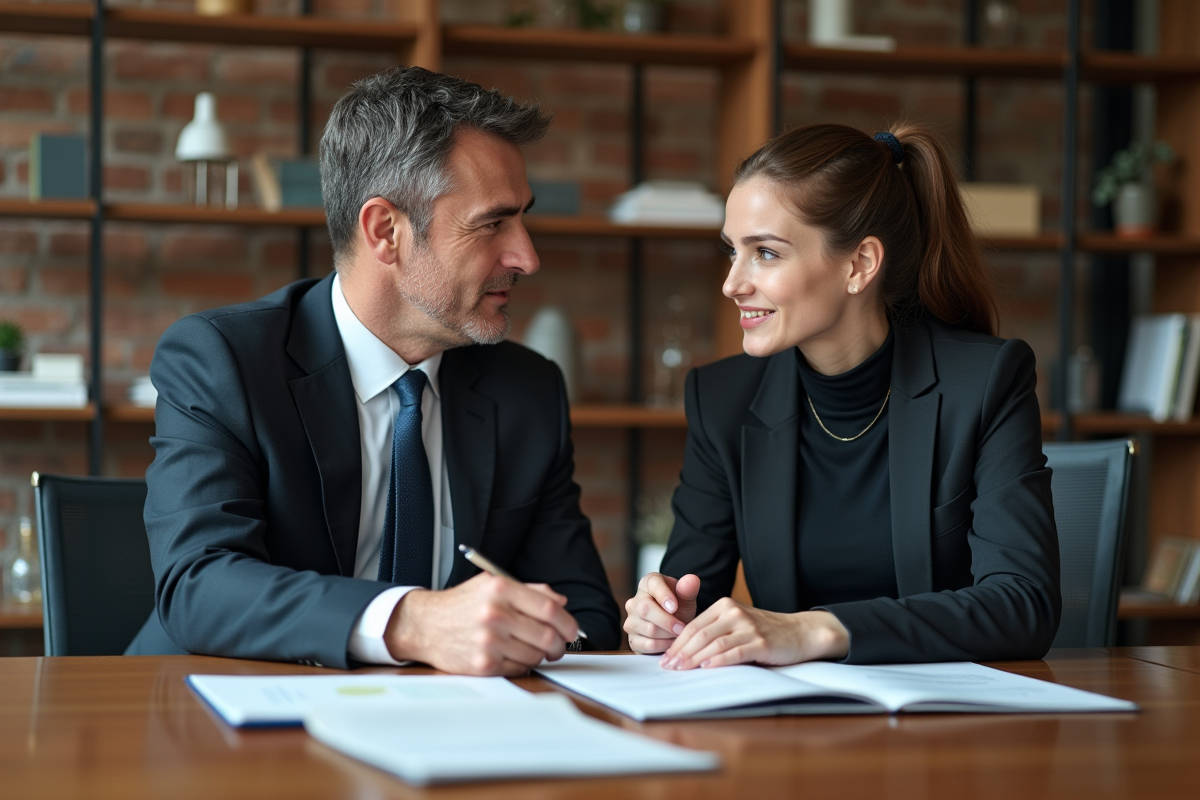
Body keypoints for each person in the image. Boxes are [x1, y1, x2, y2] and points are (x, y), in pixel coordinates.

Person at [126, 66, 621, 673]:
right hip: (216, 721)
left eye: (522, 219)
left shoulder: (527, 390)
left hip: (443, 732)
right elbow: (198, 585)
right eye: (493, 223)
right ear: (386, 231)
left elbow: (586, 618)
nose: (527, 256)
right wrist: (410, 622)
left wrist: (534, 638)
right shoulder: (223, 360)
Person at [624, 123, 1061, 669]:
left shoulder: (985, 381)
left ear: (859, 265)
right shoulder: (721, 400)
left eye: (765, 253)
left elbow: (1023, 606)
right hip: (793, 730)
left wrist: (816, 630)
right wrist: (663, 618)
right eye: (732, 251)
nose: (732, 282)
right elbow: (694, 598)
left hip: (950, 729)